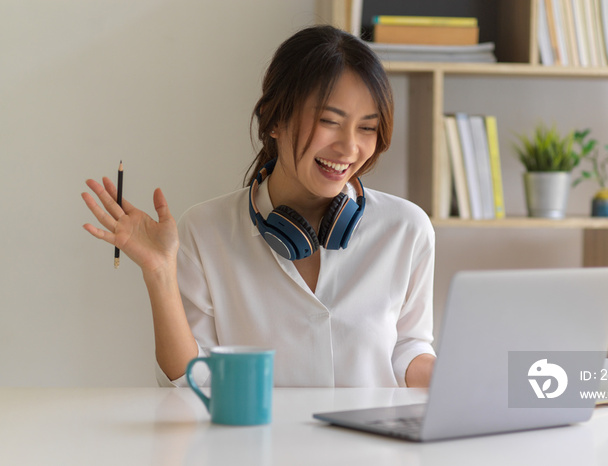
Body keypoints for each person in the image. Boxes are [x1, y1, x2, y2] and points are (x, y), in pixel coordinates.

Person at [81, 25, 436, 388]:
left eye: (367, 128)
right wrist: (159, 274)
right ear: (274, 119)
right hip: (254, 443)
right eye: (330, 122)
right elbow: (190, 382)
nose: (349, 148)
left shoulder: (406, 228)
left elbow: (408, 349)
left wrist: (459, 376)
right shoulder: (205, 230)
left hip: (371, 444)